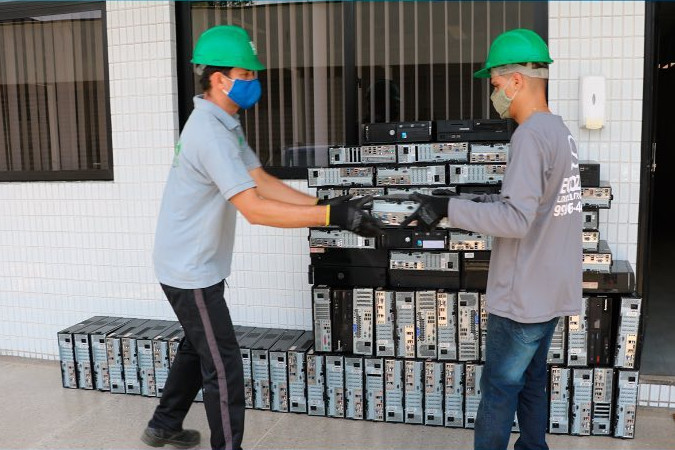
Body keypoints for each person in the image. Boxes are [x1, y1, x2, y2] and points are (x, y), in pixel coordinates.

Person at [141, 25, 382, 450]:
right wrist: (330, 214)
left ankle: (163, 424)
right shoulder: (210, 133)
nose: (255, 83)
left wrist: (324, 207)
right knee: (224, 364)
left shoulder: (224, 123)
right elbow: (253, 208)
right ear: (219, 79)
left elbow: (261, 181)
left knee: (199, 348)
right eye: (247, 75)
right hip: (189, 267)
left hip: (193, 261)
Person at [401, 28, 582, 449]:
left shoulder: (530, 136)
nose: (494, 92)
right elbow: (538, 205)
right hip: (550, 292)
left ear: (517, 79)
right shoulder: (560, 133)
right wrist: (472, 198)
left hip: (522, 298)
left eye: (496, 83)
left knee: (500, 390)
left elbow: (517, 220)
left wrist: (446, 209)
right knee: (532, 382)